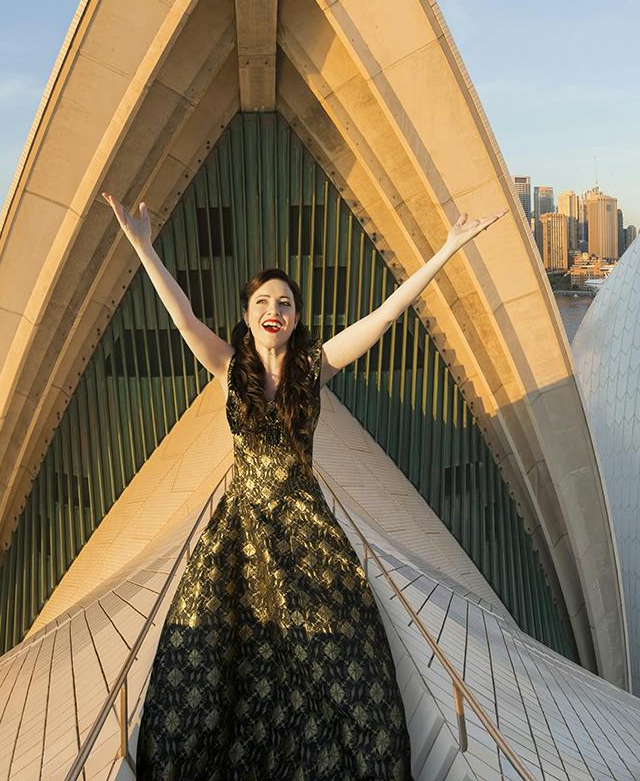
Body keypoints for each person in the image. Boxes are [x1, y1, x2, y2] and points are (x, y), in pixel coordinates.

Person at [101, 191, 506, 780]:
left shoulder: (314, 368)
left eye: (285, 302)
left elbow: (386, 315)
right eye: (263, 301)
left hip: (305, 531)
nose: (275, 309)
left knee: (339, 660)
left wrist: (447, 249)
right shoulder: (226, 367)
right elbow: (182, 315)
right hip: (238, 533)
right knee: (208, 659)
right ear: (247, 316)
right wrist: (142, 246)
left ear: (296, 317)